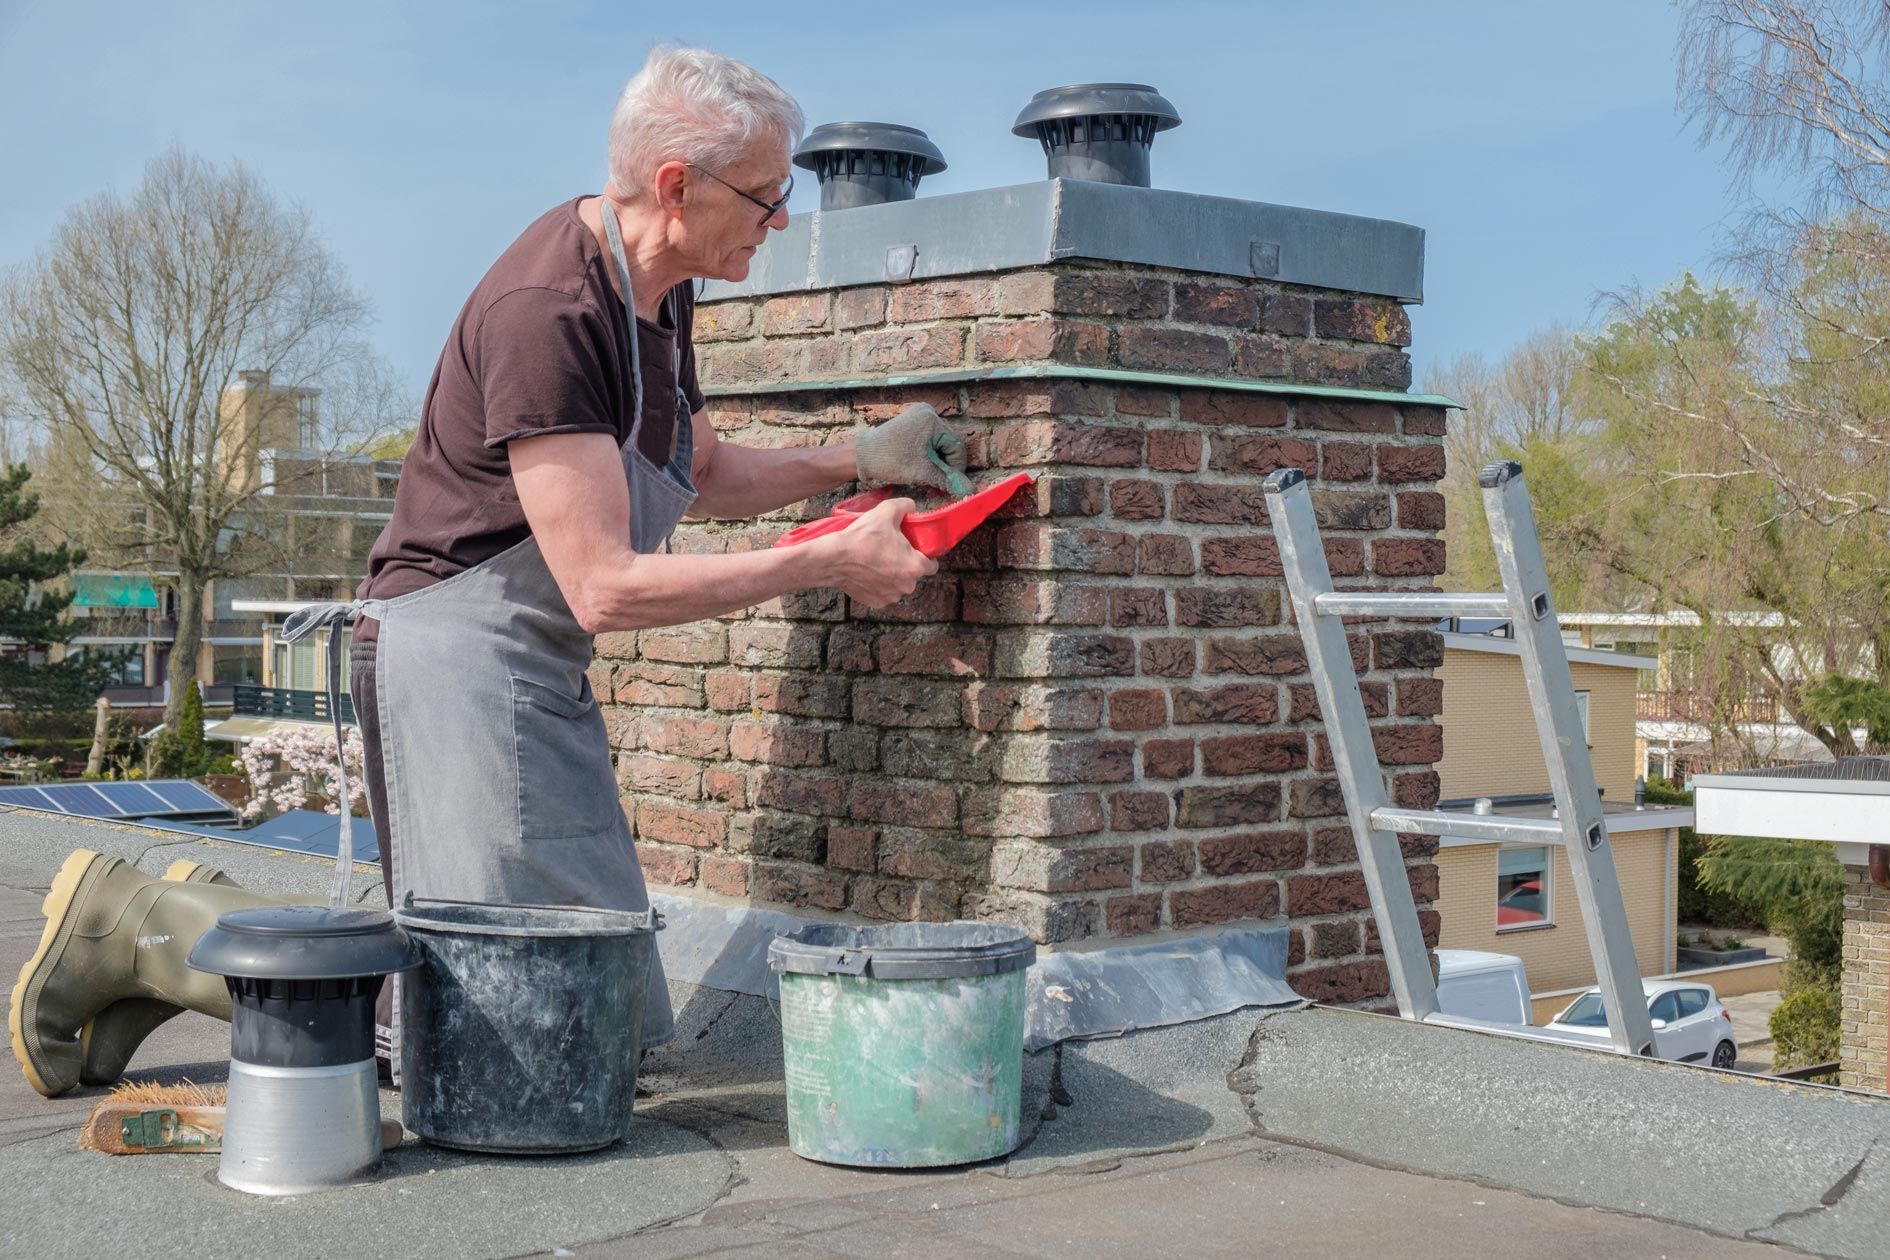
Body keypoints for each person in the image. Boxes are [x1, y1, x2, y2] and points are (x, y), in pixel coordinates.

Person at [10, 44, 965, 1097]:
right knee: (493, 1024)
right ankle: (146, 927)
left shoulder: (661, 295)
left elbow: (696, 468)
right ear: (675, 186)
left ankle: (161, 929)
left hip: (536, 664)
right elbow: (603, 581)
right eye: (767, 195)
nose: (782, 218)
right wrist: (827, 562)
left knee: (592, 1011)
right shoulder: (547, 312)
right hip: (453, 661)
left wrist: (859, 457)